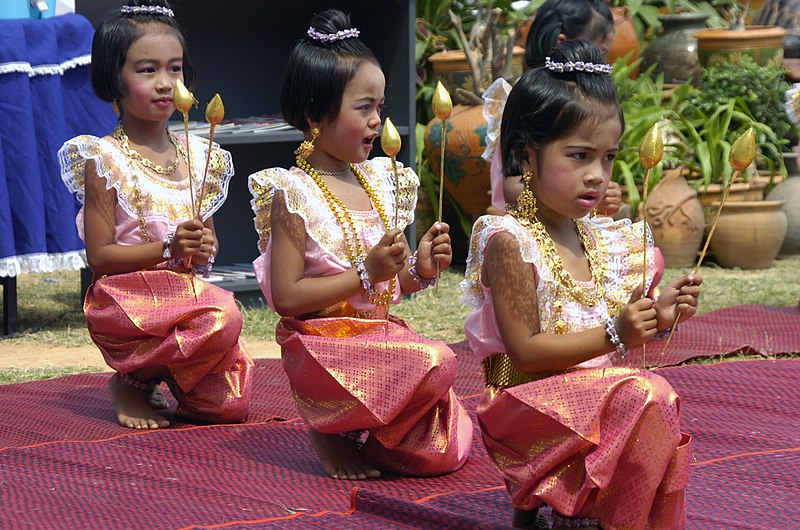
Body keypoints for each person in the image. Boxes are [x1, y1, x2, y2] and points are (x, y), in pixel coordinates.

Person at [462, 40, 702, 530]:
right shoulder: (509, 240)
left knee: (649, 398)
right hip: (527, 406)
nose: (597, 175)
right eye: (579, 155)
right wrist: (617, 333)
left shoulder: (602, 236)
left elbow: (610, 335)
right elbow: (525, 353)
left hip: (594, 400)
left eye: (608, 157)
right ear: (526, 157)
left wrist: (661, 315)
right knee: (646, 395)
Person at [248, 9, 472, 481]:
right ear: (314, 115)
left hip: (380, 338)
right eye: (363, 107)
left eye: (381, 107)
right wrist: (366, 272)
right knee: (436, 359)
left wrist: (420, 270)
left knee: (440, 452)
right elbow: (287, 299)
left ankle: (371, 436)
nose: (377, 121)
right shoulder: (293, 193)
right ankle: (330, 427)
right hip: (324, 349)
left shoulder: (379, 182)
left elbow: (390, 287)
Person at [58, 0, 253, 430]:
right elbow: (100, 256)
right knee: (223, 314)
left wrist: (203, 245)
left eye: (175, 69)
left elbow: (209, 244)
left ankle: (173, 376)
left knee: (228, 407)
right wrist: (167, 246)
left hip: (190, 302)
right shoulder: (103, 158)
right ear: (115, 80)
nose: (166, 83)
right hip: (129, 303)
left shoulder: (200, 155)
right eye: (147, 71)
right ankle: (133, 380)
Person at [483, 0, 621, 216]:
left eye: (609, 157)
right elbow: (508, 184)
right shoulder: (530, 100)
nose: (598, 64)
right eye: (598, 52)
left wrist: (599, 198)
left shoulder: (598, 105)